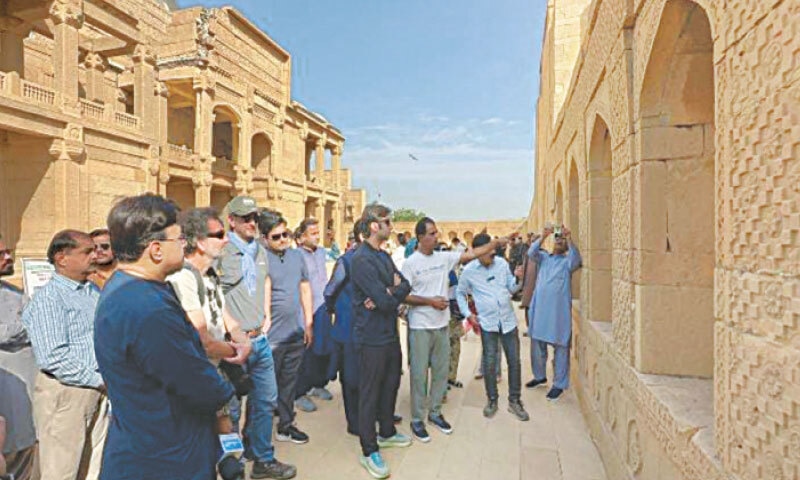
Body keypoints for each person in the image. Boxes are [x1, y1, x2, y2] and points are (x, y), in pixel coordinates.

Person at [94, 194, 233, 480]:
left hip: (150, 444)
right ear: (156, 250)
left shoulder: (131, 287)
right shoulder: (146, 307)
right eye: (179, 238)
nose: (185, 244)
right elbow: (192, 380)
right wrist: (223, 396)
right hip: (164, 457)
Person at [402, 217, 508, 442]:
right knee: (419, 375)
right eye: (431, 233)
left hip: (442, 327)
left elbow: (472, 254)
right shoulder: (410, 263)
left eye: (436, 232)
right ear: (420, 237)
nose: (436, 236)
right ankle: (418, 419)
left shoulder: (443, 258)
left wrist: (495, 243)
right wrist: (430, 302)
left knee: (441, 373)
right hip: (420, 327)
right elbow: (404, 295)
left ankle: (435, 413)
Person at [218, 196, 295, 479]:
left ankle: (263, 459)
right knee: (232, 411)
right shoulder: (222, 252)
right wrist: (231, 329)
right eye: (245, 218)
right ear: (232, 221)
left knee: (266, 402)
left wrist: (266, 314)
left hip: (259, 340)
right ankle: (233, 464)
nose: (252, 223)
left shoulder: (259, 250)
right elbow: (214, 293)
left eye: (254, 218)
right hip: (232, 345)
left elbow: (265, 280)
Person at [21, 230, 106, 480]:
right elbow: (53, 357)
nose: (95, 255)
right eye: (87, 251)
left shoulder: (92, 290)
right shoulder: (50, 298)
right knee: (61, 471)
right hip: (67, 391)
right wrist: (99, 379)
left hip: (97, 388)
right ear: (62, 258)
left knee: (93, 470)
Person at [166, 208, 252, 441]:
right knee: (214, 439)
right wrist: (236, 351)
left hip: (220, 368)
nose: (226, 240)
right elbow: (202, 341)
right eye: (219, 235)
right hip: (201, 375)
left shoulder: (209, 273)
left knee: (231, 430)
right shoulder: (183, 277)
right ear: (200, 242)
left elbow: (224, 315)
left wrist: (243, 340)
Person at [351, 204, 413, 479]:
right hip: (371, 337)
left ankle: (387, 431)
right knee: (370, 392)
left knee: (391, 383)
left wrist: (388, 291)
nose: (391, 226)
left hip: (389, 334)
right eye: (387, 222)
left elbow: (405, 286)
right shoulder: (361, 259)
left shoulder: (384, 256)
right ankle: (369, 449)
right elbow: (387, 301)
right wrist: (389, 293)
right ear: (374, 225)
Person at [457, 233, 529, 421]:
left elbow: (511, 288)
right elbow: (460, 293)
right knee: (489, 363)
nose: (493, 254)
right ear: (479, 252)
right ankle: (492, 400)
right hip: (488, 324)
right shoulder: (469, 271)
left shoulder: (502, 264)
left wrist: (518, 279)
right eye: (489, 251)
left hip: (508, 322)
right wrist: (468, 314)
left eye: (493, 251)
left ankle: (515, 401)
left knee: (514, 361)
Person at [257, 211, 312, 444]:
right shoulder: (260, 258)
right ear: (264, 238)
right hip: (271, 336)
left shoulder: (296, 256)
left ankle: (286, 425)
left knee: (289, 384)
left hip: (294, 332)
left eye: (285, 234)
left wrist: (308, 322)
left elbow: (304, 287)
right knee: (264, 390)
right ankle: (256, 438)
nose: (282, 240)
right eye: (276, 237)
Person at [527, 224, 582, 401]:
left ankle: (559, 384)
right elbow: (531, 252)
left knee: (560, 347)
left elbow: (576, 260)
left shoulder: (567, 262)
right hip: (540, 311)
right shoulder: (544, 258)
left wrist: (569, 238)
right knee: (537, 344)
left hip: (558, 314)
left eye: (562, 240)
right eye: (557, 238)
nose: (559, 241)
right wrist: (543, 236)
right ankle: (539, 376)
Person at [0, 235, 37, 480]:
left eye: (8, 252)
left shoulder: (15, 293)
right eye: (1, 254)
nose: (8, 257)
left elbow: (36, 325)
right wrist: (22, 328)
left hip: (25, 401)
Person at [324, 220, 365, 435]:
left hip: (367, 329)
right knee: (351, 377)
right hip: (348, 327)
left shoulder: (375, 259)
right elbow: (330, 290)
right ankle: (354, 421)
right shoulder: (346, 261)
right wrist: (336, 309)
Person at [294, 218, 335, 412]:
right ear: (301, 237)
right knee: (305, 352)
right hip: (305, 310)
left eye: (318, 233)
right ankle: (299, 392)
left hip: (323, 308)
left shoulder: (321, 253)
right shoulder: (296, 256)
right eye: (313, 233)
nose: (317, 237)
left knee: (323, 348)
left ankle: (318, 384)